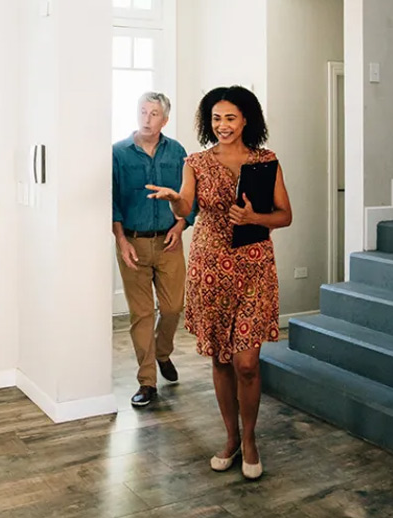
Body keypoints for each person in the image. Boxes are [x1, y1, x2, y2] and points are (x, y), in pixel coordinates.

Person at [147, 85, 292, 480]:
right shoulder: (195, 161)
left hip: (254, 266)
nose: (222, 125)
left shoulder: (266, 161)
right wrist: (175, 199)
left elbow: (284, 216)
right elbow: (186, 205)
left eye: (230, 117)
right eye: (215, 118)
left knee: (247, 362)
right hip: (210, 267)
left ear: (246, 119)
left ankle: (250, 440)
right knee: (222, 358)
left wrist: (254, 220)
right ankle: (230, 437)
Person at [112, 92, 198, 408]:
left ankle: (163, 352)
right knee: (142, 314)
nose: (147, 119)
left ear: (165, 119)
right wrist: (121, 241)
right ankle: (147, 381)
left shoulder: (177, 152)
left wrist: (180, 226)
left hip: (169, 242)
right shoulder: (118, 153)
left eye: (154, 113)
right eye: (143, 112)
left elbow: (191, 197)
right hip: (133, 242)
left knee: (174, 307)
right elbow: (113, 201)